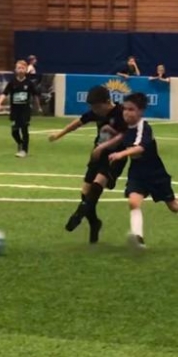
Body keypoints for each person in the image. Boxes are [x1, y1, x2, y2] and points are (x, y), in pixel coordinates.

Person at [107, 93, 178, 249]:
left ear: (141, 111)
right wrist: (104, 146)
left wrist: (121, 154)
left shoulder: (144, 127)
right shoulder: (125, 126)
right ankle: (138, 238)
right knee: (133, 202)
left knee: (173, 206)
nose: (126, 112)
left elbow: (140, 147)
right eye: (125, 109)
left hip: (155, 173)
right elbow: (120, 137)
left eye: (131, 109)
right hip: (137, 172)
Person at [48, 86, 130, 244]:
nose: (95, 110)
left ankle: (78, 214)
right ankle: (94, 223)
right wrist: (59, 134)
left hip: (116, 156)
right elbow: (78, 123)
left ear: (107, 102)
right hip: (98, 155)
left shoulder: (121, 113)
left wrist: (102, 147)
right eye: (92, 107)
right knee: (85, 192)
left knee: (98, 184)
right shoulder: (96, 112)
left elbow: (122, 136)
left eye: (97, 107)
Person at [0, 60, 40, 158]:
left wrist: (38, 106)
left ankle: (24, 150)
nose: (20, 70)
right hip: (15, 111)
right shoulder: (12, 82)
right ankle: (20, 143)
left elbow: (35, 95)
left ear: (26, 70)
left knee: (24, 129)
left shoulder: (29, 83)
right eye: (19, 68)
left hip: (25, 110)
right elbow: (4, 93)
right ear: (15, 70)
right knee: (14, 131)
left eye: (22, 68)